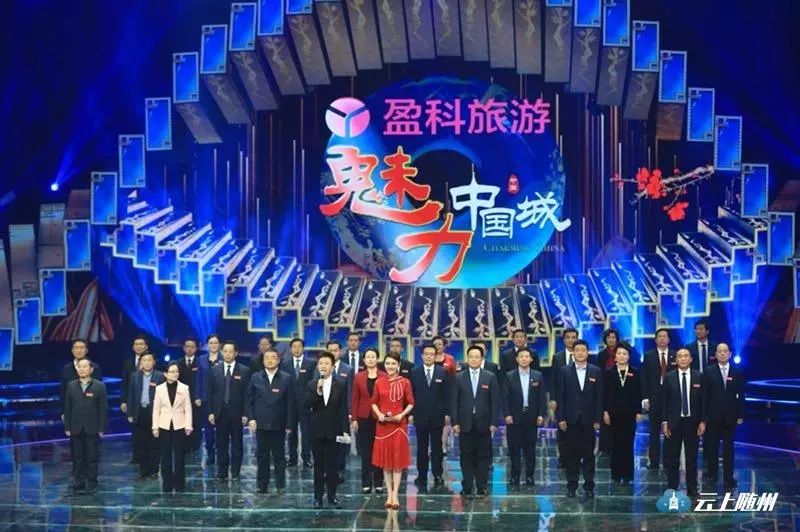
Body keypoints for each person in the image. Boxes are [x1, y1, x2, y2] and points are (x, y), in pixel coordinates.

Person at [451, 344, 500, 497]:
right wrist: (455, 422)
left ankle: (481, 486)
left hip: (484, 424)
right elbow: (454, 402)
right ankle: (466, 486)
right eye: (471, 356)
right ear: (467, 358)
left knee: (483, 456)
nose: (473, 359)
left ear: (482, 358)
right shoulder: (458, 377)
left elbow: (495, 402)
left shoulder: (490, 377)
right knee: (466, 456)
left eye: (477, 357)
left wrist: (494, 423)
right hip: (464, 424)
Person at [556, 339, 603, 498]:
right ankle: (572, 486)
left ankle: (589, 486)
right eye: (577, 350)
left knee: (589, 455)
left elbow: (599, 397)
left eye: (583, 350)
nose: (581, 353)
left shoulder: (596, 371)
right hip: (570, 420)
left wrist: (597, 419)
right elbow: (560, 396)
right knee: (571, 455)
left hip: (589, 420)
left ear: (587, 352)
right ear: (573, 353)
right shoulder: (564, 371)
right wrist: (561, 418)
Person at [246, 348, 295, 494]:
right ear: (263, 360)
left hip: (279, 423)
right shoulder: (255, 377)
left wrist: (289, 424)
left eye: (273, 357)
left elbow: (290, 403)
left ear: (278, 360)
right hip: (261, 423)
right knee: (262, 456)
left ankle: (280, 485)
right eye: (267, 357)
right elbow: (249, 400)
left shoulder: (286, 378)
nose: (270, 360)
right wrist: (251, 418)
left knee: (279, 456)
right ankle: (262, 485)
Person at [305, 352, 350, 508]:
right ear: (318, 366)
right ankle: (317, 497)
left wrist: (345, 430)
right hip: (316, 430)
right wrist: (317, 391)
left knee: (332, 466)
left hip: (334, 430)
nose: (323, 366)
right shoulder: (311, 384)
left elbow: (343, 409)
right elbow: (306, 404)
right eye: (321, 363)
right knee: (318, 465)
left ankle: (332, 496)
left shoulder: (340, 384)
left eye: (327, 363)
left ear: (332, 367)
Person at [371, 352, 415, 509]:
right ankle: (389, 493)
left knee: (397, 461)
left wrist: (401, 415)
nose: (390, 366)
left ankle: (395, 494)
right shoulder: (379, 382)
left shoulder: (405, 382)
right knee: (386, 462)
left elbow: (411, 402)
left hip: (399, 425)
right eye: (388, 363)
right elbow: (373, 402)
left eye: (393, 364)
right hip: (383, 425)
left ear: (398, 365)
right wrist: (379, 415)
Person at [662, 348, 705, 498]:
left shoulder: (699, 376)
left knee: (691, 458)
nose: (683, 358)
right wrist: (665, 422)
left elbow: (703, 402)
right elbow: (664, 402)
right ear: (676, 360)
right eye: (680, 356)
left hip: (692, 423)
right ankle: (672, 489)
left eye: (686, 356)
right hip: (674, 422)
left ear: (691, 359)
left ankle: (692, 489)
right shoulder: (669, 377)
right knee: (672, 459)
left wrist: (703, 421)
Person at [702, 342, 744, 492]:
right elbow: (704, 396)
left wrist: (740, 414)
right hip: (713, 417)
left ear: (730, 354)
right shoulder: (708, 371)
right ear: (715, 354)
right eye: (719, 351)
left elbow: (741, 395)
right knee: (712, 448)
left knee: (729, 449)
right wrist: (704, 417)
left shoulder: (737, 372)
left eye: (725, 351)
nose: (722, 353)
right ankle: (712, 476)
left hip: (730, 417)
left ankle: (728, 478)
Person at [408, 344, 450, 489]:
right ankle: (422, 475)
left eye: (431, 354)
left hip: (437, 416)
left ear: (435, 356)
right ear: (422, 356)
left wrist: (447, 413)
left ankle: (437, 474)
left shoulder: (442, 372)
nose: (429, 356)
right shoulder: (414, 372)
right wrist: (411, 414)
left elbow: (447, 395)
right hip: (420, 416)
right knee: (421, 448)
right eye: (426, 354)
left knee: (437, 448)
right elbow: (410, 395)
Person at [63, 358, 108, 494]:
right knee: (77, 457)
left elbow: (103, 409)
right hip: (75, 427)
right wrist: (67, 427)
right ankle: (79, 481)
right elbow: (67, 407)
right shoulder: (71, 385)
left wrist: (101, 427)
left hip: (92, 427)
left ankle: (92, 481)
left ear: (91, 369)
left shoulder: (99, 386)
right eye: (79, 367)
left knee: (92, 457)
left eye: (84, 366)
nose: (81, 369)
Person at [207, 341, 250, 481]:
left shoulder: (244, 370)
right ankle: (222, 472)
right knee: (221, 445)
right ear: (221, 352)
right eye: (225, 351)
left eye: (230, 351)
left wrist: (246, 414)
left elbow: (247, 395)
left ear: (236, 353)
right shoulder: (214, 370)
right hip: (220, 413)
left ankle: (236, 472)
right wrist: (211, 412)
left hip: (237, 414)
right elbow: (210, 393)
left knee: (237, 444)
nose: (227, 354)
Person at [504, 347, 546, 487]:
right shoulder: (509, 376)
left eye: (527, 356)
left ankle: (529, 476)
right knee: (514, 449)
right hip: (514, 417)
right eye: (521, 356)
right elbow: (505, 397)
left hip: (531, 417)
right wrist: (507, 414)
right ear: (517, 359)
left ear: (531, 359)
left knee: (530, 449)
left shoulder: (538, 375)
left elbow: (542, 397)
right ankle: (515, 476)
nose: (524, 359)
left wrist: (541, 414)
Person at [602, 345, 642, 484]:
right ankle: (616, 474)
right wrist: (605, 412)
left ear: (628, 356)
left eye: (625, 354)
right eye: (619, 353)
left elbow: (638, 393)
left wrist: (639, 411)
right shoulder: (609, 373)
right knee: (615, 444)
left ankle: (627, 475)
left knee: (628, 444)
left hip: (630, 414)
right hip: (613, 414)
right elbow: (604, 394)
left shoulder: (635, 372)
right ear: (615, 356)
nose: (622, 356)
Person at [152, 362, 193, 493]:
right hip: (163, 425)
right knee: (165, 456)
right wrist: (155, 427)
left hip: (179, 425)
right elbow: (156, 409)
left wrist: (188, 425)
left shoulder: (184, 388)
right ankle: (167, 484)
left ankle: (180, 484)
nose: (175, 374)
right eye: (172, 372)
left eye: (177, 372)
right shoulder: (159, 389)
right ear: (165, 374)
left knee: (179, 456)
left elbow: (188, 408)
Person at [315, 340, 353, 484]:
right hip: (323, 415)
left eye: (336, 350)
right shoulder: (319, 369)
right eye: (330, 350)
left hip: (341, 414)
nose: (333, 353)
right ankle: (326, 472)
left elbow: (350, 392)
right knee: (325, 447)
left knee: (341, 445)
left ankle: (339, 471)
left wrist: (349, 412)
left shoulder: (348, 369)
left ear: (340, 352)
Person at [640, 328, 677, 470]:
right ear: (655, 340)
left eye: (664, 336)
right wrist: (645, 397)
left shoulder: (675, 355)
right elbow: (644, 378)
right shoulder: (648, 355)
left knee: (670, 431)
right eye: (659, 336)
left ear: (669, 339)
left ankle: (668, 461)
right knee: (654, 432)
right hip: (654, 398)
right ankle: (654, 461)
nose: (662, 338)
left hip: (671, 399)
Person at [350, 347, 386, 494]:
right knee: (365, 452)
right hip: (363, 417)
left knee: (379, 451)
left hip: (380, 417)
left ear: (377, 359)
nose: (370, 359)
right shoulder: (358, 377)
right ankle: (366, 483)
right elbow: (355, 399)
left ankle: (378, 482)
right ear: (364, 360)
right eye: (368, 357)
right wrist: (354, 418)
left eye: (373, 356)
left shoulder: (384, 376)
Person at [126, 352, 164, 480]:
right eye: (144, 360)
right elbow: (131, 395)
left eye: (149, 360)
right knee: (141, 443)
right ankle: (144, 470)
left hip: (154, 412)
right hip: (139, 412)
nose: (147, 363)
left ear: (154, 362)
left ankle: (154, 470)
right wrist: (130, 413)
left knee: (154, 444)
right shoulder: (134, 376)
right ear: (140, 363)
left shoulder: (160, 376)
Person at [280, 338, 316, 468]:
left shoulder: (311, 363)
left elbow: (313, 384)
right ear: (290, 349)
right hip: (290, 405)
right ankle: (292, 458)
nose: (296, 349)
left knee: (307, 433)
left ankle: (306, 458)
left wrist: (311, 401)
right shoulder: (284, 364)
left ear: (303, 348)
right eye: (294, 346)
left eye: (299, 346)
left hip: (306, 405)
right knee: (291, 433)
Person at [549, 327, 578, 468]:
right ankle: (563, 458)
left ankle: (576, 458)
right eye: (568, 337)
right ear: (564, 339)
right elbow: (553, 380)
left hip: (579, 400)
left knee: (578, 430)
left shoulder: (583, 355)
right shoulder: (557, 357)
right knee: (562, 430)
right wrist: (553, 399)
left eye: (573, 337)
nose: (571, 340)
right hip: (561, 399)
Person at [121, 334, 149, 464]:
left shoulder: (152, 360)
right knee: (135, 430)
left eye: (141, 344)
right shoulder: (128, 362)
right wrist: (123, 400)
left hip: (148, 401)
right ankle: (137, 456)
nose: (138, 346)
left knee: (148, 430)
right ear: (133, 347)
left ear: (146, 346)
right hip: (133, 401)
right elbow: (124, 382)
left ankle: (149, 456)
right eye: (136, 344)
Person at [60, 339, 103, 417]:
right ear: (72, 350)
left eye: (82, 348)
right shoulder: (66, 369)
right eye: (76, 348)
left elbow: (99, 392)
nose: (79, 350)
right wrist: (63, 411)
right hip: (72, 412)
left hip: (91, 412)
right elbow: (63, 392)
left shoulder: (95, 368)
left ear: (86, 350)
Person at [199, 333, 223, 464]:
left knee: (221, 429)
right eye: (211, 343)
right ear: (207, 345)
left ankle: (221, 453)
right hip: (205, 399)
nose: (213, 345)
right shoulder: (201, 359)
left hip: (221, 398)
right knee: (208, 430)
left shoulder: (224, 358)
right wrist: (197, 396)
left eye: (215, 343)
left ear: (219, 345)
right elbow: (198, 379)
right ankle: (210, 454)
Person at [596, 329, 620, 455]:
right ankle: (604, 448)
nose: (611, 339)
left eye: (613, 337)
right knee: (605, 418)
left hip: (620, 388)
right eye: (609, 337)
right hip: (605, 388)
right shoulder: (601, 355)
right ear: (605, 339)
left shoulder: (622, 352)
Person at [177, 338, 202, 452]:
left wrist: (199, 396)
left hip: (196, 399)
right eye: (187, 346)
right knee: (182, 423)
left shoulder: (200, 363)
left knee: (196, 423)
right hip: (181, 399)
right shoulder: (178, 363)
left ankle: (196, 447)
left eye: (192, 346)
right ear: (183, 348)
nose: (189, 349)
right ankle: (184, 447)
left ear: (196, 348)